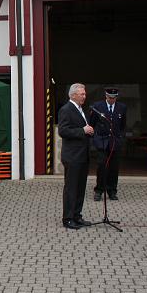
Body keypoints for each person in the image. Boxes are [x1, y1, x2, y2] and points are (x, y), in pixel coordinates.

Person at [58, 83, 94, 230]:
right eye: (81, 94)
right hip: (72, 156)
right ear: (73, 95)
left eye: (84, 94)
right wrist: (83, 131)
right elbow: (63, 131)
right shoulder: (66, 110)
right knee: (71, 188)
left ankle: (77, 216)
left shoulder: (81, 110)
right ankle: (67, 219)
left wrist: (89, 131)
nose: (84, 96)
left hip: (82, 155)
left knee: (80, 188)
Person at [90, 87, 127, 201]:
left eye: (114, 98)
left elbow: (123, 125)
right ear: (106, 96)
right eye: (110, 97)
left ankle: (112, 191)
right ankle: (99, 190)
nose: (112, 100)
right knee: (102, 166)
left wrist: (120, 138)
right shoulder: (98, 106)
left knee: (114, 168)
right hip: (102, 142)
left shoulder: (122, 107)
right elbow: (92, 123)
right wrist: (95, 139)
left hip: (115, 142)